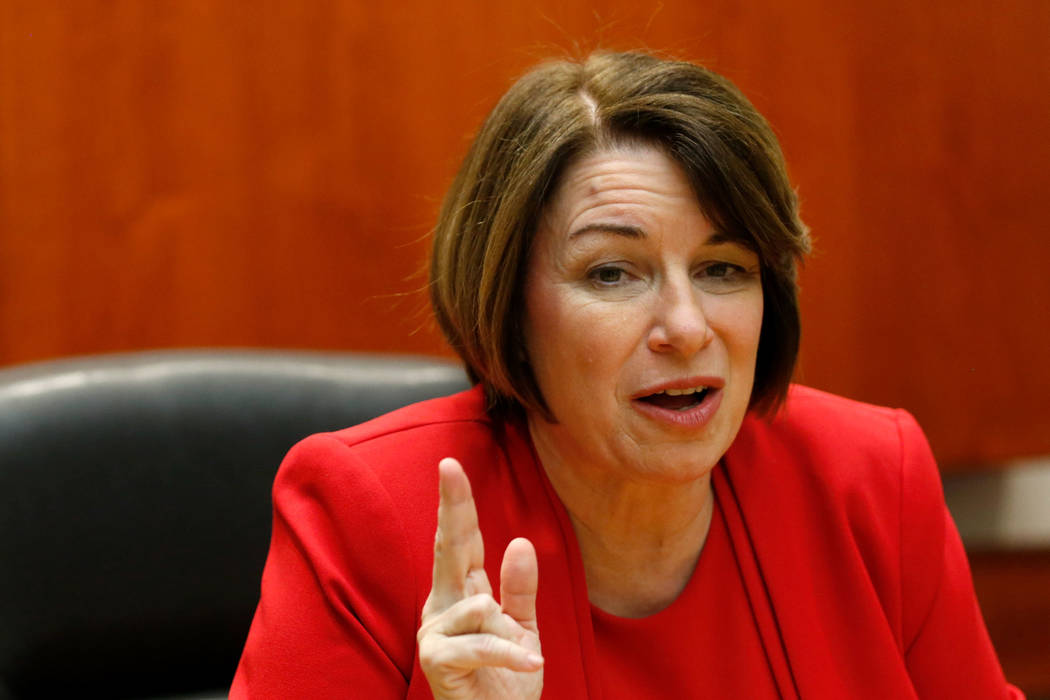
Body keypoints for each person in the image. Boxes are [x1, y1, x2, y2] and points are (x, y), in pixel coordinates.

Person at [231, 51, 1022, 699]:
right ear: (509, 306)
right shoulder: (369, 515)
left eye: (721, 268)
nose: (686, 326)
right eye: (613, 274)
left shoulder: (871, 481)